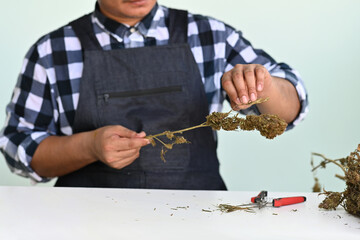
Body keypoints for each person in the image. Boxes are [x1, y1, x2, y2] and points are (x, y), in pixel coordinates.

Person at [0, 0, 308, 189]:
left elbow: (291, 109)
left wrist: (262, 85)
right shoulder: (52, 51)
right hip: (86, 222)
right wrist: (89, 146)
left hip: (197, 219)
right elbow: (19, 148)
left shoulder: (211, 36)